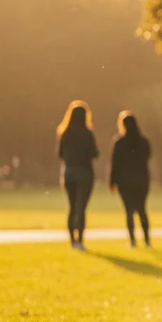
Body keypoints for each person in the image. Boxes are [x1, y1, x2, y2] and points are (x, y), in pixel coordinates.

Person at [56, 100, 99, 251]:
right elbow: (95, 153)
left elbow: (60, 154)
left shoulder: (64, 133)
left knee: (72, 206)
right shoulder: (88, 133)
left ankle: (72, 241)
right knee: (81, 207)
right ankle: (79, 239)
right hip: (84, 172)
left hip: (69, 172)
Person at [109, 111, 152, 247]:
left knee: (129, 211)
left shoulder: (119, 142)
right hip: (141, 180)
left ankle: (132, 240)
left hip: (125, 181)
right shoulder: (143, 141)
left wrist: (112, 181)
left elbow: (114, 163)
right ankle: (147, 239)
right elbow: (148, 156)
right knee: (142, 209)